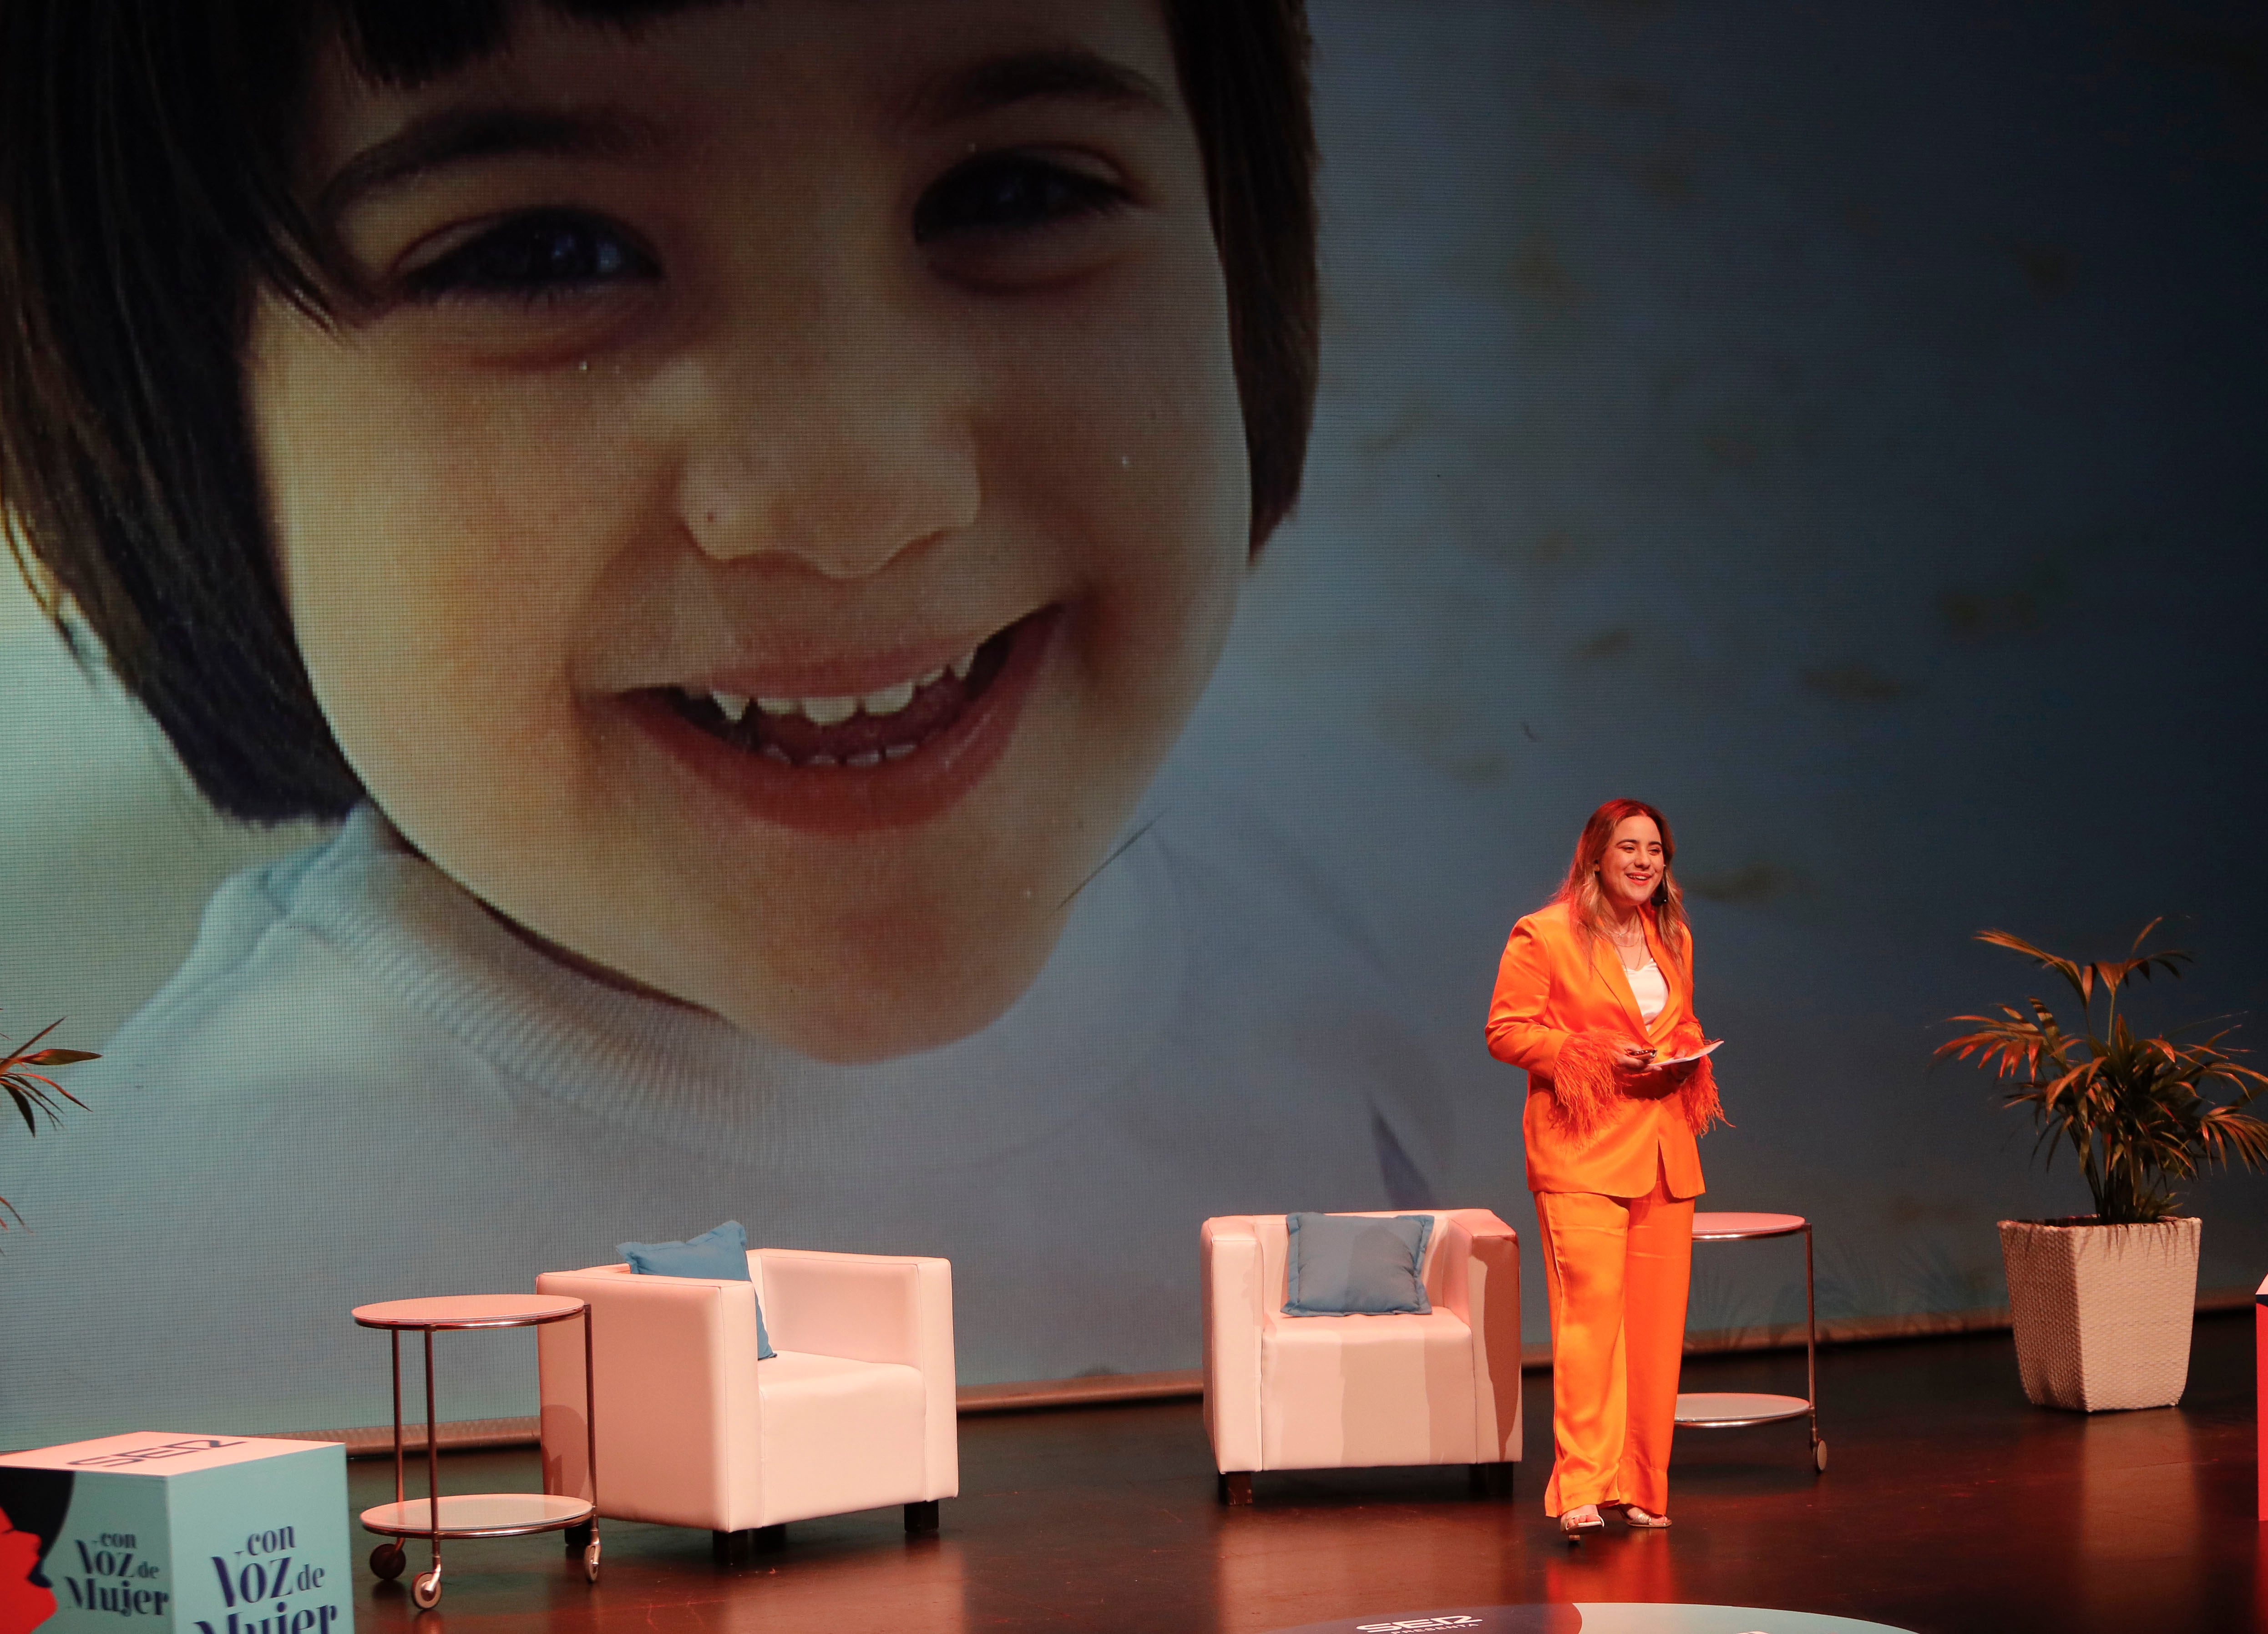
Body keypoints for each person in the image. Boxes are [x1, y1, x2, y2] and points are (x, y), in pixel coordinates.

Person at [0, 0, 1449, 1448]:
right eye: (545, 256)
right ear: (193, 422)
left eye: (1014, 193)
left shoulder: (1408, 959)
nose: (853, 499)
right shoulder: (124, 1318)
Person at [1485, 798, 1724, 1537]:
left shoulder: (1671, 935)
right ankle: (1583, 1486)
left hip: (1660, 1149)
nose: (1645, 861)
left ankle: (1644, 1485)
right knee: (1590, 1321)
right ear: (1596, 856)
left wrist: (1684, 1051)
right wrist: (1584, 1054)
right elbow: (1507, 1030)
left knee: (1655, 1327)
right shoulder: (1545, 934)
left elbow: (1674, 1018)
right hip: (1583, 1151)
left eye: (1656, 849)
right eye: (1629, 847)